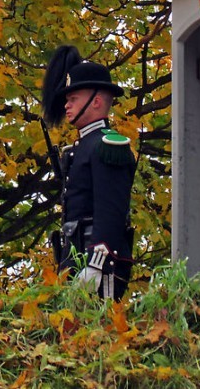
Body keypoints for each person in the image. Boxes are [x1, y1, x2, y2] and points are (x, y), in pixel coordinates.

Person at [42, 46, 135, 300]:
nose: (67, 105)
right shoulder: (81, 147)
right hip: (74, 258)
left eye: (73, 99)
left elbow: (110, 212)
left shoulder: (107, 145)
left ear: (95, 101)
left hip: (100, 263)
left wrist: (96, 264)